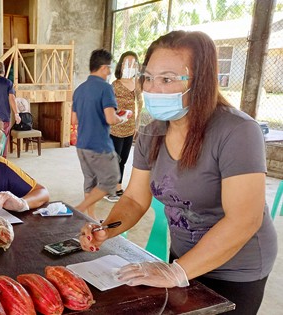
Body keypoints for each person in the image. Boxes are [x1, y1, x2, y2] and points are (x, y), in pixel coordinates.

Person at [79, 31, 277, 314]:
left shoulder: (237, 131)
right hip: (183, 257)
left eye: (168, 79)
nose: (153, 88)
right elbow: (135, 199)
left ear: (201, 82)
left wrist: (176, 273)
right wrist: (107, 229)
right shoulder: (152, 131)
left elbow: (244, 220)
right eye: (148, 77)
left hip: (236, 269)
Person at [71, 49, 132, 219]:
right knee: (111, 179)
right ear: (104, 68)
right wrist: (124, 117)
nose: (110, 72)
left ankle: (90, 219)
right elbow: (111, 119)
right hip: (99, 145)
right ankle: (80, 209)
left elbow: (73, 120)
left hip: (82, 145)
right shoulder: (105, 88)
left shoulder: (79, 90)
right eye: (109, 68)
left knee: (90, 183)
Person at [104, 51, 142, 202]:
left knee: (124, 159)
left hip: (129, 128)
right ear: (121, 65)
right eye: (127, 63)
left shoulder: (137, 84)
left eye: (133, 63)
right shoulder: (115, 85)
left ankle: (118, 187)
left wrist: (137, 126)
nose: (130, 66)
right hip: (115, 128)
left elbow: (140, 104)